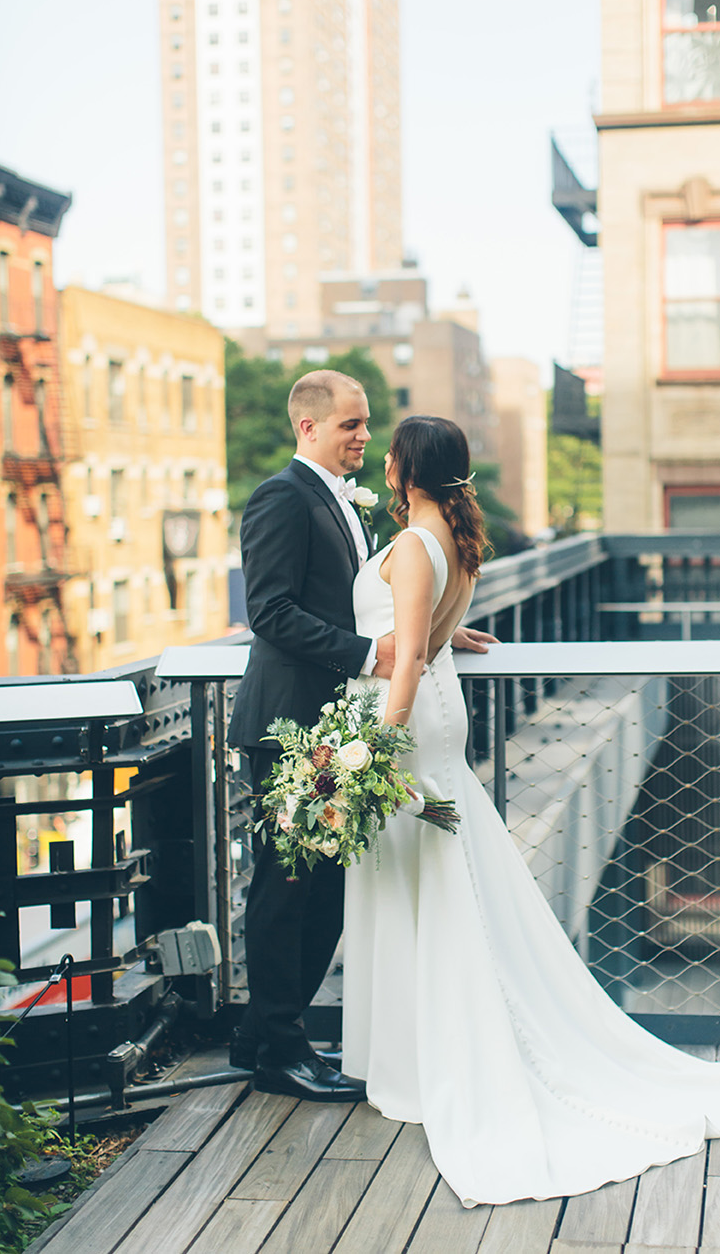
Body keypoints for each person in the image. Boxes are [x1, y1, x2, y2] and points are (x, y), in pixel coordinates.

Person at [341, 414, 720, 1209]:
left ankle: (441, 1062)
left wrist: (368, 754)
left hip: (405, 729)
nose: (382, 459)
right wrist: (451, 640)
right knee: (443, 876)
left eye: (390, 452)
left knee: (434, 883)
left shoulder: (416, 546)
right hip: (430, 723)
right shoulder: (448, 542)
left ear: (404, 468)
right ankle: (427, 1056)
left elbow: (410, 656)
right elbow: (436, 637)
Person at [228, 373, 494, 1101]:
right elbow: (270, 612)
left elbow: (381, 599)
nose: (364, 436)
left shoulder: (356, 507)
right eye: (350, 424)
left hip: (336, 725)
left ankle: (260, 1034)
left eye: (368, 424)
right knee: (287, 890)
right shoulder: (282, 497)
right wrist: (371, 653)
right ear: (308, 427)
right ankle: (281, 1048)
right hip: (288, 725)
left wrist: (433, 633)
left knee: (324, 889)